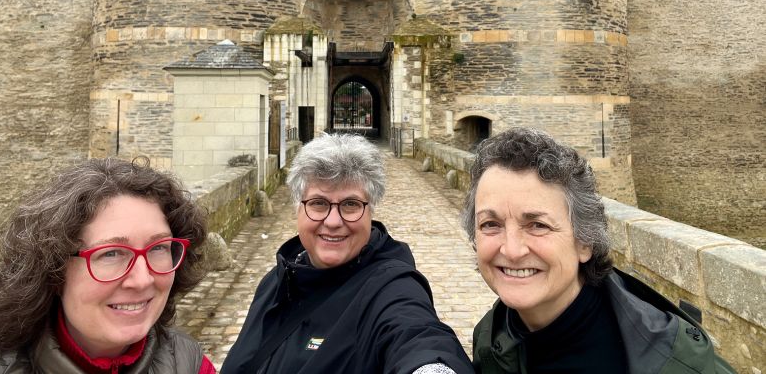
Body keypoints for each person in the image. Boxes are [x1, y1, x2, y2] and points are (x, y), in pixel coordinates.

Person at [462, 127, 735, 374]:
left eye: (537, 225)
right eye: (490, 224)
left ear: (585, 242)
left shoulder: (672, 363)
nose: (511, 249)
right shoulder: (490, 340)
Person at [220, 133, 474, 374]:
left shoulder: (392, 290)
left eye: (350, 204)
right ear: (297, 208)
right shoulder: (275, 281)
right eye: (318, 203)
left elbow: (416, 336)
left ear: (370, 210)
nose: (333, 221)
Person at [0, 157, 216, 373]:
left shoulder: (188, 363)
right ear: (53, 269)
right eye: (111, 254)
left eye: (158, 247)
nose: (142, 279)